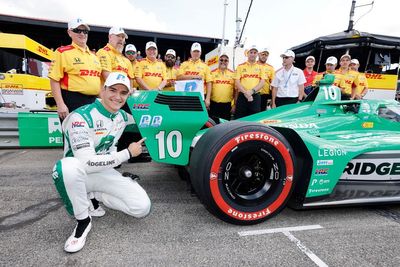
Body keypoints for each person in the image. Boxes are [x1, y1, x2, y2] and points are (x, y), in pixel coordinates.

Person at [52, 72, 151, 253]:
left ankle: (94, 196)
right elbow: (86, 162)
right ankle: (83, 220)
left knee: (141, 207)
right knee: (66, 168)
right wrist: (127, 153)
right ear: (102, 90)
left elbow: (151, 120)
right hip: (80, 173)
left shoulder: (122, 116)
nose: (117, 97)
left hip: (103, 172)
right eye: (113, 90)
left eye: (123, 93)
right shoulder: (80, 117)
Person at [48, 18, 101, 120]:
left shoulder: (94, 56)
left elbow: (97, 82)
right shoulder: (62, 52)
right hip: (72, 100)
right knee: (74, 135)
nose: (82, 34)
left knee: (94, 134)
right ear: (69, 32)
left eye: (85, 31)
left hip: (94, 101)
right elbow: (54, 80)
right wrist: (60, 104)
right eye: (77, 31)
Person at [234, 45, 266, 119]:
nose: (253, 54)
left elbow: (262, 82)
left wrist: (251, 92)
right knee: (239, 118)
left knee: (254, 119)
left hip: (255, 96)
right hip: (242, 95)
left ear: (257, 54)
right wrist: (246, 93)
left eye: (255, 52)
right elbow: (237, 82)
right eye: (251, 52)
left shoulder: (261, 67)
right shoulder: (240, 66)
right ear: (247, 54)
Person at [207, 53, 235, 121]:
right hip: (214, 104)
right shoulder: (212, 73)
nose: (223, 62)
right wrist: (207, 100)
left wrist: (234, 104)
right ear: (218, 61)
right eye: (221, 60)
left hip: (227, 105)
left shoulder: (233, 74)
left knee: (225, 126)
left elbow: (235, 90)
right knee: (213, 125)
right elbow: (209, 88)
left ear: (228, 62)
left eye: (226, 60)